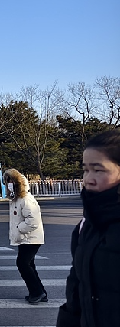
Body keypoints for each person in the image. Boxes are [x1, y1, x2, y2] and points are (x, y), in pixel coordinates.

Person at [57, 129, 120, 327]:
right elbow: (77, 289)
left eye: (98, 169)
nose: (88, 179)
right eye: (85, 169)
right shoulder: (86, 226)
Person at [4, 168, 46, 304]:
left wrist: (19, 228)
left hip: (31, 237)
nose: (9, 183)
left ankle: (37, 292)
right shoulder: (16, 199)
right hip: (26, 238)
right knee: (29, 264)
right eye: (7, 181)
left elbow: (33, 220)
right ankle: (39, 292)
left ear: (18, 183)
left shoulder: (26, 199)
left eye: (11, 180)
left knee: (23, 264)